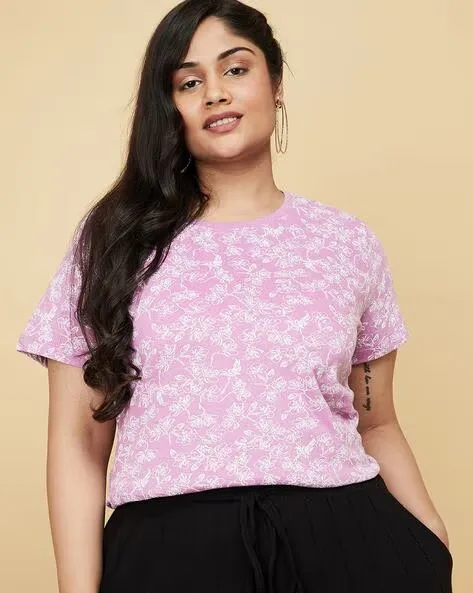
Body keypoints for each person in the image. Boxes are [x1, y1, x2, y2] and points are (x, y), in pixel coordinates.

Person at [16, 1, 453, 592]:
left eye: (236, 69)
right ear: (168, 107)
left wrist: (430, 537)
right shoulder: (113, 241)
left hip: (344, 535)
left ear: (276, 84)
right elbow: (78, 442)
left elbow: (376, 422)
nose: (215, 93)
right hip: (169, 552)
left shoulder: (346, 242)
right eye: (189, 82)